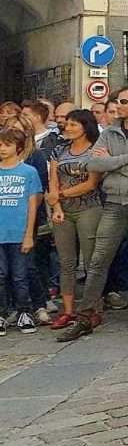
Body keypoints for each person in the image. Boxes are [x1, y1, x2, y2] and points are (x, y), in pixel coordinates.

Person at [57, 85, 128, 341]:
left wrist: (112, 162)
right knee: (98, 261)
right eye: (117, 100)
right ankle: (85, 317)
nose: (118, 105)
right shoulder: (109, 132)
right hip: (114, 202)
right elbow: (93, 163)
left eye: (124, 101)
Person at [46, 110, 102, 331]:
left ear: (85, 127)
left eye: (72, 125)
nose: (67, 128)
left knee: (90, 261)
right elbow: (53, 180)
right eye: (66, 124)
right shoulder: (59, 149)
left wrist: (60, 195)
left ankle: (91, 309)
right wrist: (57, 205)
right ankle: (68, 310)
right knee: (66, 262)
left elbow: (91, 184)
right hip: (63, 210)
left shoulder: (96, 150)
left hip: (89, 207)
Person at [0, 129, 42, 336]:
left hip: (19, 233)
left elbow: (33, 205)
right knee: (1, 275)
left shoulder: (28, 172)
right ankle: (2, 312)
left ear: (18, 147)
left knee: (20, 276)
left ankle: (24, 311)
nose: (2, 148)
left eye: (6, 144)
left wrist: (28, 235)